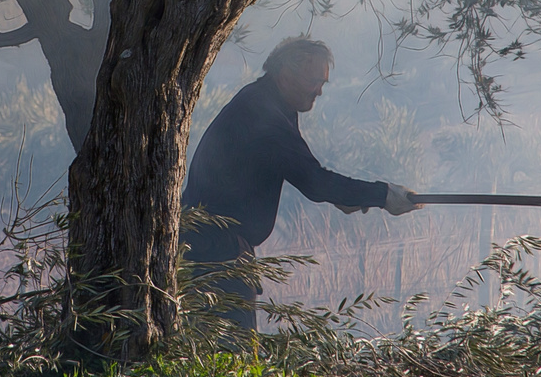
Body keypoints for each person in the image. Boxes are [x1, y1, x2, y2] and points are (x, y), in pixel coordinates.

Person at [179, 37, 421, 332]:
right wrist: (383, 195)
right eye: (314, 81)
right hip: (215, 253)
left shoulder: (268, 103)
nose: (320, 91)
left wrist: (347, 197)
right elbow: (314, 181)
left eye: (323, 83)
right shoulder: (264, 115)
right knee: (231, 354)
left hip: (214, 246)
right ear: (285, 76)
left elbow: (303, 171)